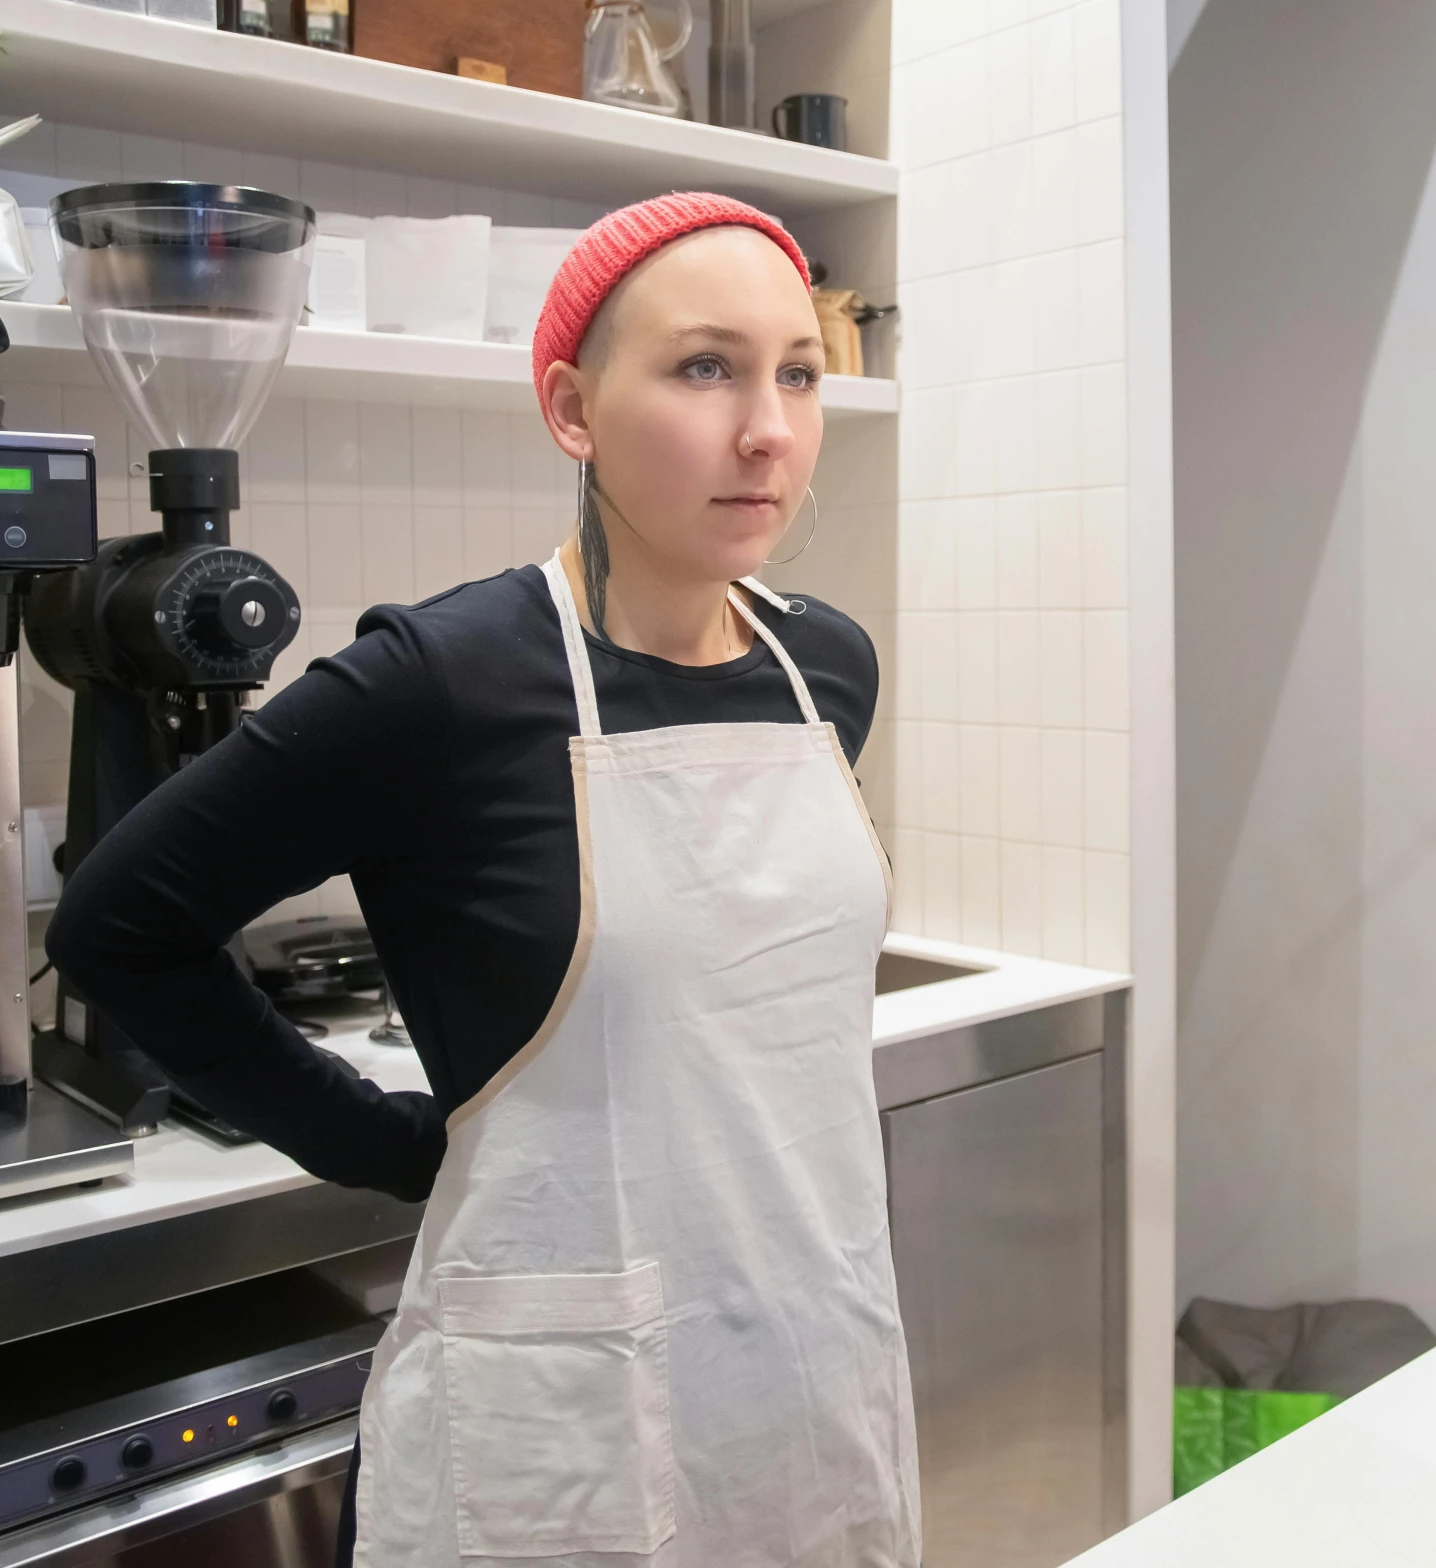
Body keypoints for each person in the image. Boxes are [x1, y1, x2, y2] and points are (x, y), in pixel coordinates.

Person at [46, 192, 920, 1567]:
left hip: (810, 1365)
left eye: (797, 372)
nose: (768, 428)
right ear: (572, 410)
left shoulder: (827, 670)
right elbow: (120, 924)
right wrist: (376, 1143)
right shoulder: (443, 680)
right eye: (705, 367)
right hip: (564, 1417)